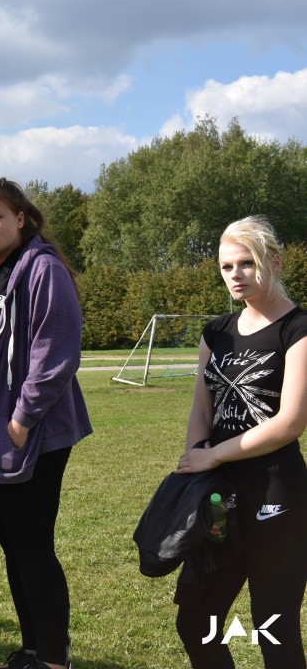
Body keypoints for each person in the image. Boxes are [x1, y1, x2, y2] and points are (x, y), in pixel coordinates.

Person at [0, 178, 92, 669]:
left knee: (33, 547)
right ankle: (33, 650)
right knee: (14, 547)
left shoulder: (41, 268)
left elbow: (56, 352)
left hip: (29, 431)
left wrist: (22, 419)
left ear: (20, 219)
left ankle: (54, 659)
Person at [173, 215, 307, 668]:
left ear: (275, 262)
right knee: (195, 621)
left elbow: (289, 423)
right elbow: (201, 408)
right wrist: (198, 465)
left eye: (246, 263)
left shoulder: (298, 329)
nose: (235, 274)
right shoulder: (217, 331)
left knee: (274, 628)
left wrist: (212, 456)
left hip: (275, 492)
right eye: (226, 266)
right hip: (217, 495)